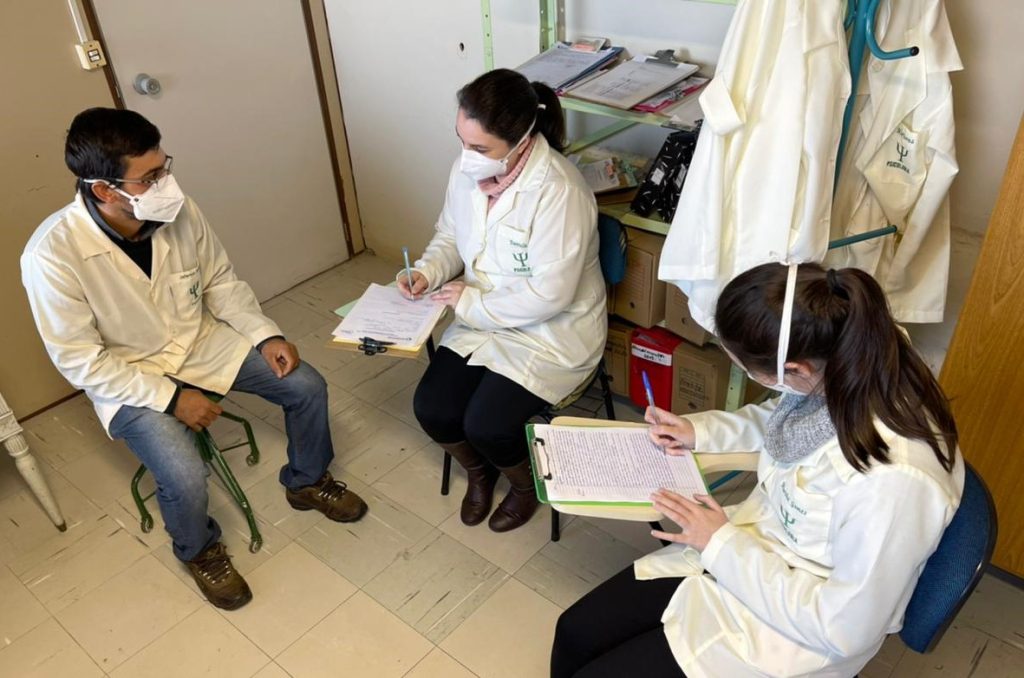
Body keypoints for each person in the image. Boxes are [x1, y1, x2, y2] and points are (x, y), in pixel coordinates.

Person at [21, 108, 367, 611]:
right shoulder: (51, 256)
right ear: (104, 190)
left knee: (306, 386)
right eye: (150, 177)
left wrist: (265, 333)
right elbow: (80, 362)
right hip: (131, 377)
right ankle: (198, 549)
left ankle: (307, 481)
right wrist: (171, 397)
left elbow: (222, 283)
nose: (167, 183)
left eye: (165, 166)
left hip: (199, 342)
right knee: (183, 473)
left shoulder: (175, 210)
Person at [551, 262, 964, 677]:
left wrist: (721, 543)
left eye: (750, 370)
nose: (754, 379)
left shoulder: (894, 480)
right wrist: (698, 429)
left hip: (789, 634)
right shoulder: (848, 360)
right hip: (743, 552)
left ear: (797, 369)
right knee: (574, 632)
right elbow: (787, 419)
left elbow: (844, 627)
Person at [399, 69, 606, 532]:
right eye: (461, 141)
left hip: (550, 333)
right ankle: (481, 471)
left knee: (488, 424)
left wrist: (468, 302)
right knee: (432, 409)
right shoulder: (470, 168)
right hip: (480, 318)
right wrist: (426, 271)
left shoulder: (559, 191)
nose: (465, 157)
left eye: (479, 148)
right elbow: (451, 234)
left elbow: (550, 295)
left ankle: (524, 484)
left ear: (521, 139)